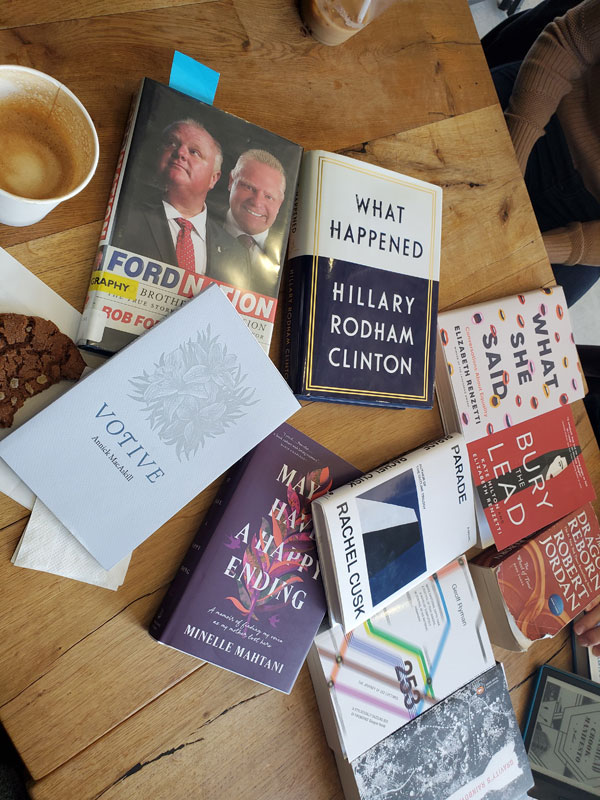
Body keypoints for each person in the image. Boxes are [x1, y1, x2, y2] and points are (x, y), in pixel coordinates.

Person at [485, 0, 600, 307]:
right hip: (540, 108)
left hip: (589, 223)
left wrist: (540, 247)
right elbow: (569, 42)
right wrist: (514, 156)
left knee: (485, 337)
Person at [113, 119, 250, 288]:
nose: (180, 153)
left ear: (213, 178)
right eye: (171, 143)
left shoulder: (236, 253)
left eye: (194, 152)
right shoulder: (122, 216)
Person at [223, 149, 287, 296]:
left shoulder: (286, 255)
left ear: (280, 204)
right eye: (249, 187)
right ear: (231, 182)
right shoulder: (196, 225)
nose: (257, 202)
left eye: (269, 196)